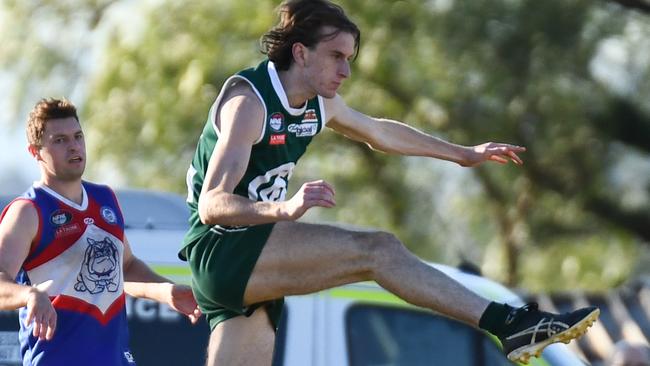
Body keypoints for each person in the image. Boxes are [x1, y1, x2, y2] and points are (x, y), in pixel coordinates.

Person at [180, 0, 599, 364]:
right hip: (222, 250)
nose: (346, 70)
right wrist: (284, 210)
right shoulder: (249, 103)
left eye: (350, 59)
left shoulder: (318, 103)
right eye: (336, 56)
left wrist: (462, 154)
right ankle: (509, 323)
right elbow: (212, 205)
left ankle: (512, 325)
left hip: (247, 263)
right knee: (379, 250)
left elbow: (379, 132)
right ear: (301, 53)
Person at [0, 98, 202, 366]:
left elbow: (126, 266)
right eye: (59, 140)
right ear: (35, 152)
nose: (73, 146)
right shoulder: (27, 211)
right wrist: (29, 295)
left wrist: (165, 291)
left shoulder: (105, 198)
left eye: (78, 136)